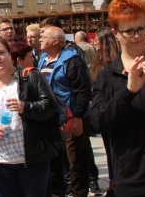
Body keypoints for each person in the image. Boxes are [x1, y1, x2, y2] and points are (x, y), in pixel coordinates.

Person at [91, 0, 145, 196]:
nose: (137, 36)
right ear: (116, 33)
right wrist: (129, 91)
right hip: (130, 177)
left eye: (142, 29)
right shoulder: (107, 76)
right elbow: (97, 122)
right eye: (129, 31)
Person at [0, 36, 59, 196]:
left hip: (32, 161)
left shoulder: (29, 77)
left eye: (1, 52)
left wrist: (25, 107)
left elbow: (51, 107)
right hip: (1, 165)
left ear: (9, 54)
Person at [38, 26, 92, 197]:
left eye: (43, 36)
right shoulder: (43, 58)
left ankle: (79, 193)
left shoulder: (72, 60)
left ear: (55, 41)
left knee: (75, 162)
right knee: (54, 161)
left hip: (71, 118)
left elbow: (82, 90)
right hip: (52, 119)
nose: (40, 39)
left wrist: (77, 117)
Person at [88, 27, 120, 196]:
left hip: (112, 109)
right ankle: (113, 183)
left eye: (97, 41)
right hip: (102, 110)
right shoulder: (98, 61)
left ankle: (115, 184)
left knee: (114, 150)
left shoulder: (112, 62)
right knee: (109, 150)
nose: (94, 42)